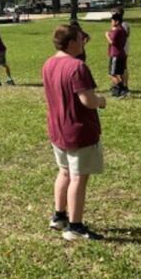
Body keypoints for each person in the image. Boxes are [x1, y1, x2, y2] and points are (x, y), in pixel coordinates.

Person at [43, 24, 106, 241]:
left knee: (64, 172)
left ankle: (59, 216)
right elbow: (87, 100)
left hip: (57, 129)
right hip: (78, 130)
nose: (83, 42)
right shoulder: (77, 67)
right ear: (71, 43)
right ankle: (75, 226)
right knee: (78, 177)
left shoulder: (49, 63)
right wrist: (101, 101)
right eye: (81, 39)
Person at [105, 12, 128, 97]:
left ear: (117, 21)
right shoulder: (122, 30)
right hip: (122, 53)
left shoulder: (117, 31)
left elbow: (112, 42)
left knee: (112, 74)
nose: (111, 22)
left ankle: (122, 90)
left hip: (116, 55)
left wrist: (107, 35)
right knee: (120, 73)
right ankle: (118, 90)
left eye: (112, 21)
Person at [113, 7, 131, 92]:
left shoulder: (120, 25)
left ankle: (122, 86)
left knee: (120, 68)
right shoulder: (126, 24)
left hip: (121, 48)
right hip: (125, 47)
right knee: (122, 67)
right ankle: (122, 85)